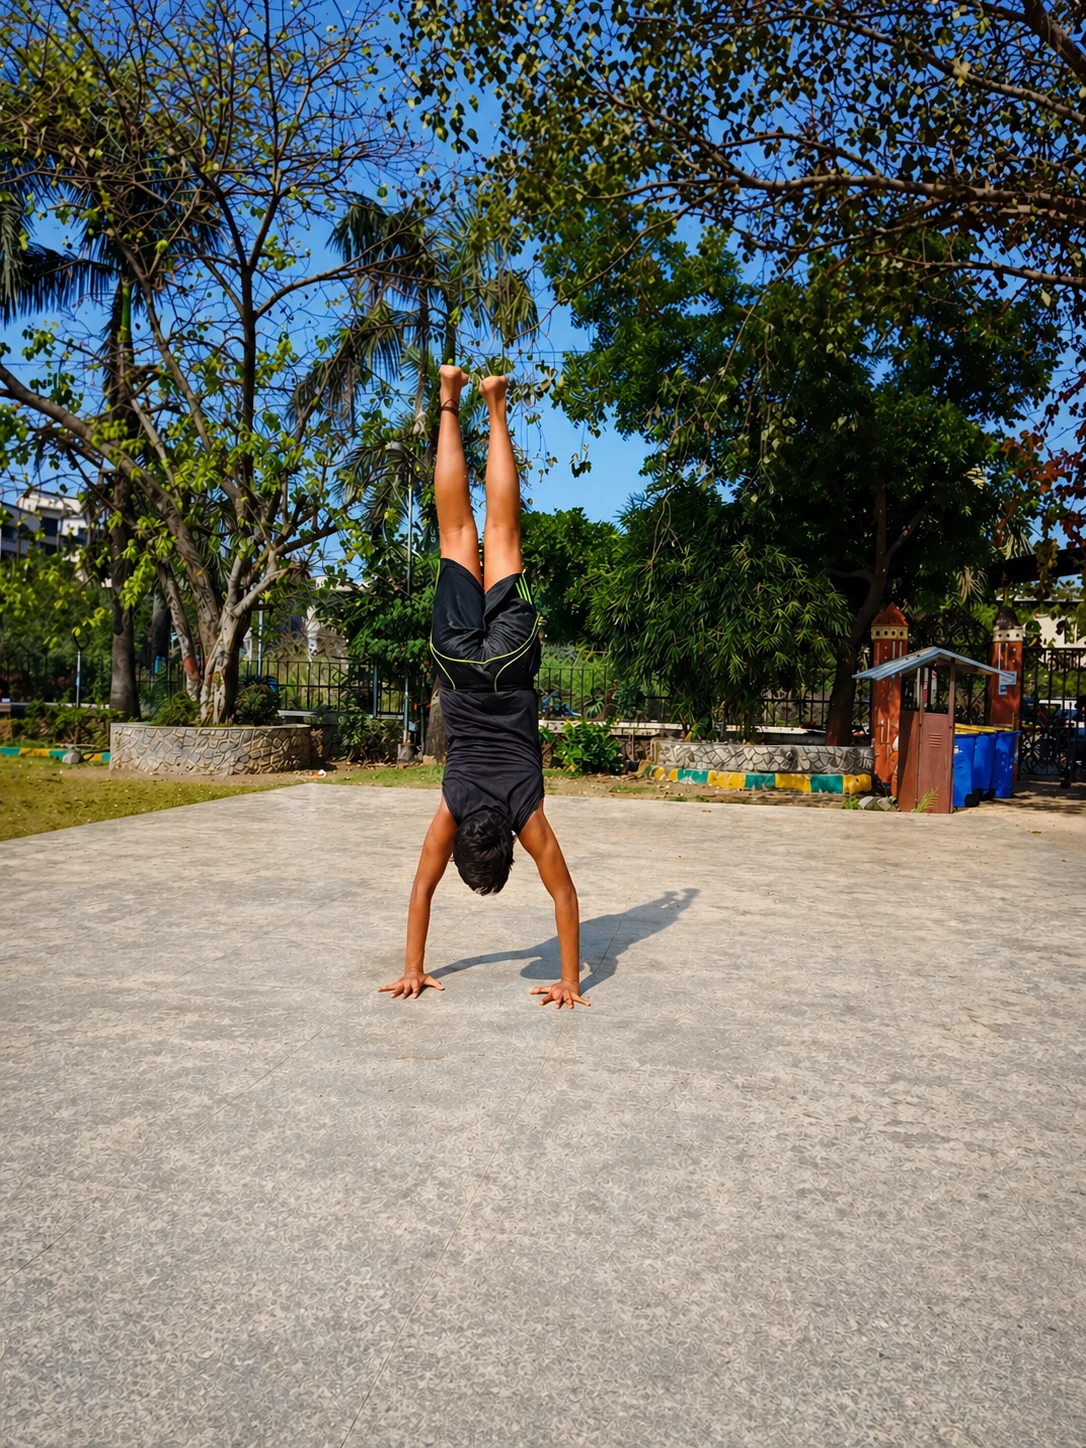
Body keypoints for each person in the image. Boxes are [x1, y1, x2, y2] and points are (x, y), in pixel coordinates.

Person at [379, 368, 588, 1009]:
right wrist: (412, 967)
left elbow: (565, 896)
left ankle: (494, 402)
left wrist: (570, 980)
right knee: (457, 536)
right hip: (460, 673)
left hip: (514, 666)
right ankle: (450, 398)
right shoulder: (453, 802)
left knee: (502, 536)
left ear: (510, 848)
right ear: (472, 832)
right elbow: (421, 887)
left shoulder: (528, 815)